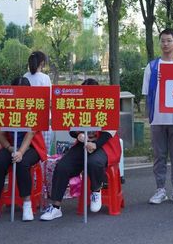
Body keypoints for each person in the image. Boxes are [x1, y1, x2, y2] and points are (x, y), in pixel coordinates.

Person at [40, 78, 122, 221]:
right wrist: (79, 136)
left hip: (104, 145)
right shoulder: (77, 103)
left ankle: (96, 190)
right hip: (82, 144)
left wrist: (95, 144)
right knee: (62, 166)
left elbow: (110, 131)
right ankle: (56, 207)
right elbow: (71, 127)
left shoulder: (106, 103)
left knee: (94, 162)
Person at [0, 77, 49, 222]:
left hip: (31, 147)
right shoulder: (6, 106)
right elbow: (0, 134)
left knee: (22, 163)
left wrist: (20, 152)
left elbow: (31, 133)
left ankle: (27, 204)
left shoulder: (34, 106)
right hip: (10, 146)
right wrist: (10, 149)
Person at [142, 28, 173, 205]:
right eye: (162, 41)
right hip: (158, 119)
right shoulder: (152, 66)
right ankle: (160, 189)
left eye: (169, 40)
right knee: (159, 156)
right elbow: (147, 94)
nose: (165, 44)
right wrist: (149, 117)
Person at [24, 51, 54, 151]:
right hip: (43, 118)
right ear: (42, 63)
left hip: (28, 118)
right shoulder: (45, 78)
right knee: (44, 149)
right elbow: (50, 99)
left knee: (28, 147)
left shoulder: (25, 76)